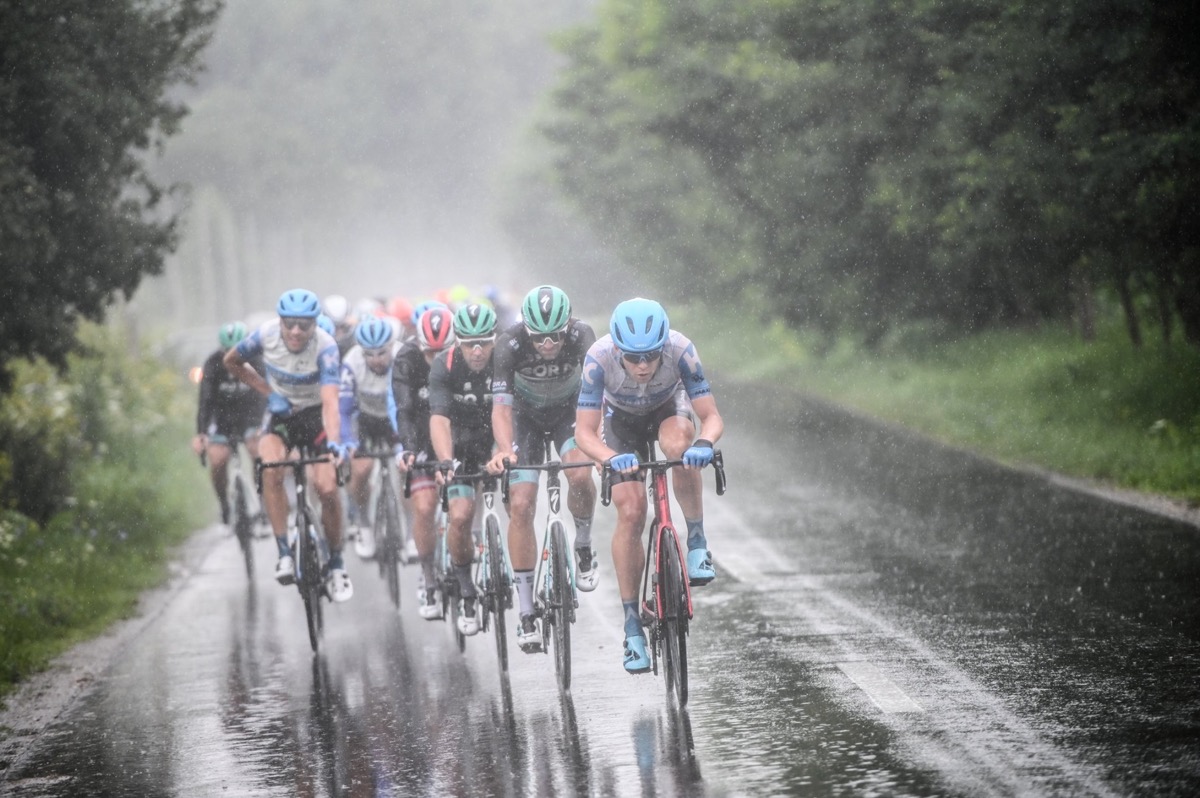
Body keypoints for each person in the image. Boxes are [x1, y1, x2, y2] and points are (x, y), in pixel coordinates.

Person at [574, 297, 724, 673]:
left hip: (667, 409)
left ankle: (696, 542)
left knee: (679, 450)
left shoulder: (682, 350)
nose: (642, 366)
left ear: (663, 347)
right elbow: (584, 431)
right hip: (619, 422)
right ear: (618, 350)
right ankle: (631, 627)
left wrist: (704, 444)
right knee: (632, 510)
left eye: (651, 357)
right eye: (633, 358)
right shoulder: (598, 358)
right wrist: (608, 457)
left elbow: (711, 417)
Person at [487, 285, 598, 653]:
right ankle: (525, 612)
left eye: (556, 336)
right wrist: (505, 450)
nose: (549, 344)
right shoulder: (508, 344)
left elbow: (600, 392)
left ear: (568, 325)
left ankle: (583, 543)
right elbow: (501, 409)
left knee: (580, 473)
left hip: (569, 412)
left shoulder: (583, 335)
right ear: (526, 329)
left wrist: (599, 441)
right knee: (520, 504)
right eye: (540, 337)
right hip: (524, 419)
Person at [224, 288, 354, 602]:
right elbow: (232, 361)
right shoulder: (265, 335)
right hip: (281, 415)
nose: (296, 331)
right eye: (290, 323)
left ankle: (336, 563)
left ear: (314, 324)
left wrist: (335, 443)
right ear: (280, 321)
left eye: (304, 325)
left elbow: (331, 402)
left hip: (315, 419)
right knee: (271, 469)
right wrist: (269, 393)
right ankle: (283, 549)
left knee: (326, 488)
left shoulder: (326, 348)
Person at [427, 302, 498, 637]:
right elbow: (439, 417)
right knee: (459, 515)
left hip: (496, 439)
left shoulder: (503, 362)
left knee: (520, 503)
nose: (478, 350)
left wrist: (506, 451)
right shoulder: (444, 364)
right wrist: (445, 459)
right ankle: (466, 587)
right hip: (460, 442)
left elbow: (515, 411)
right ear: (458, 343)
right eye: (470, 343)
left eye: (484, 341)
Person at [389, 305, 456, 619]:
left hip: (456, 430)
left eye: (442, 351)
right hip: (420, 428)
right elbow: (403, 409)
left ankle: (473, 540)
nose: (436, 359)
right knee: (426, 505)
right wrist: (409, 449)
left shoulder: (465, 356)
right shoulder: (406, 358)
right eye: (430, 352)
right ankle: (428, 575)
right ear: (419, 345)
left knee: (462, 501)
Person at [339, 315, 401, 559]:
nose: (376, 359)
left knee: (408, 468)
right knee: (361, 469)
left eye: (382, 353)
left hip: (396, 419)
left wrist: (407, 443)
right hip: (365, 420)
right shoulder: (351, 361)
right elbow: (343, 410)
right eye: (370, 354)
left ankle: (409, 537)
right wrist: (347, 442)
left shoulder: (403, 357)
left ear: (391, 348)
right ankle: (363, 522)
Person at [191, 322, 265, 525]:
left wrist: (264, 425)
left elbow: (264, 394)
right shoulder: (212, 363)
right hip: (222, 417)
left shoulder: (256, 359)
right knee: (218, 460)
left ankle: (263, 501)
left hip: (250, 414)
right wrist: (201, 433)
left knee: (257, 450)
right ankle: (224, 505)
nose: (233, 354)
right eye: (227, 350)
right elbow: (205, 400)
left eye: (238, 349)